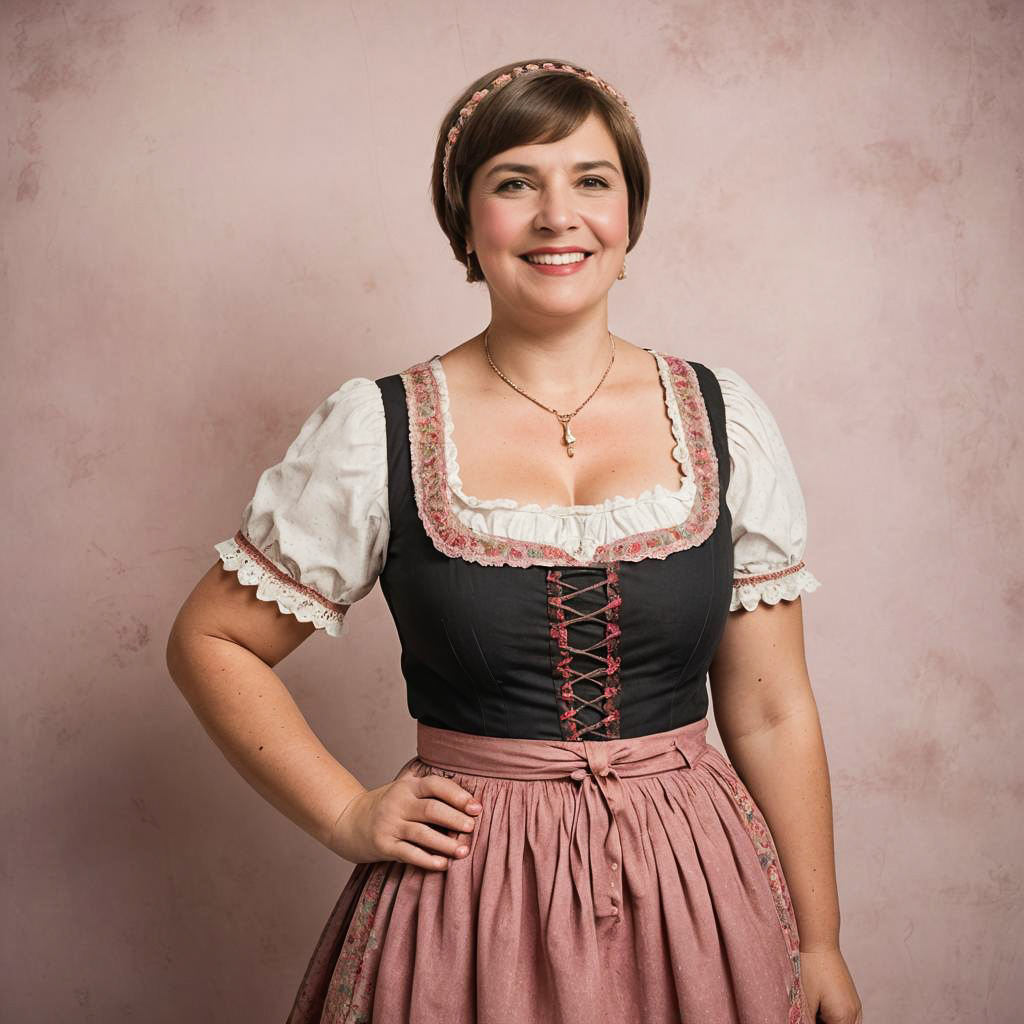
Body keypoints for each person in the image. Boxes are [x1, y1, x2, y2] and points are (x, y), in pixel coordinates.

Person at [167, 58, 863, 1024]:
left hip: (697, 890)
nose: (557, 216)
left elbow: (775, 709)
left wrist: (820, 942)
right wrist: (344, 811)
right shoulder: (380, 428)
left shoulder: (721, 415)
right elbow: (212, 639)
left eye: (590, 179)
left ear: (632, 214)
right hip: (468, 896)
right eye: (514, 183)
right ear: (466, 223)